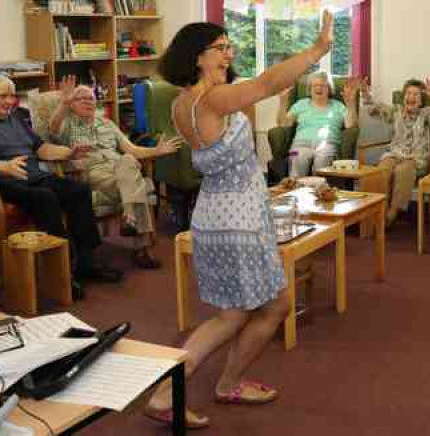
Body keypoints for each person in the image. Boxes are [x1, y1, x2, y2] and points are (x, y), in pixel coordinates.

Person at [143, 13, 333, 429]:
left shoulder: (183, 104)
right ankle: (172, 393)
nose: (229, 53)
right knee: (249, 312)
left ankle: (220, 383)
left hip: (217, 212)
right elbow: (266, 84)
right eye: (221, 47)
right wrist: (316, 51)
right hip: (236, 219)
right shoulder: (211, 100)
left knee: (246, 310)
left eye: (230, 45)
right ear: (197, 57)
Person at [0, 74, 122, 295]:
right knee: (46, 197)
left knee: (78, 190)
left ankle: (87, 261)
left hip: (31, 177)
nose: (9, 101)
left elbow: (41, 149)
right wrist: (5, 166)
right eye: (3, 96)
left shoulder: (14, 117)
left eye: (12, 96)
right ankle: (61, 271)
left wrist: (69, 152)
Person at [48, 77, 181, 269]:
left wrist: (157, 151)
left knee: (127, 160)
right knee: (139, 185)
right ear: (71, 105)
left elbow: (132, 149)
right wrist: (63, 103)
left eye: (91, 98)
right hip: (92, 172)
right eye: (81, 99)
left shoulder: (108, 124)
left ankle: (129, 216)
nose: (88, 101)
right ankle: (141, 249)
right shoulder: (68, 124)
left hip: (119, 170)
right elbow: (52, 128)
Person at [361, 78, 430, 226]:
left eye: (416, 95)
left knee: (402, 170)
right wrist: (366, 95)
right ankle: (379, 210)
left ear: (421, 100)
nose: (411, 97)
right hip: (394, 153)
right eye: (408, 93)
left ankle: (392, 213)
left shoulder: (426, 113)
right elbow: (375, 109)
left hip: (415, 158)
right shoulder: (396, 110)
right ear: (404, 96)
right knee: (382, 170)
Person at [277, 71, 358, 177]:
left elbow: (350, 125)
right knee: (297, 159)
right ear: (310, 89)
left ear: (329, 89)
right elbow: (283, 123)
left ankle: (317, 192)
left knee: (322, 163)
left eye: (323, 85)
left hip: (328, 144)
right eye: (315, 85)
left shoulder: (338, 106)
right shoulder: (301, 104)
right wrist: (283, 102)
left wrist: (350, 103)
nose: (318, 88)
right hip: (300, 144)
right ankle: (296, 191)